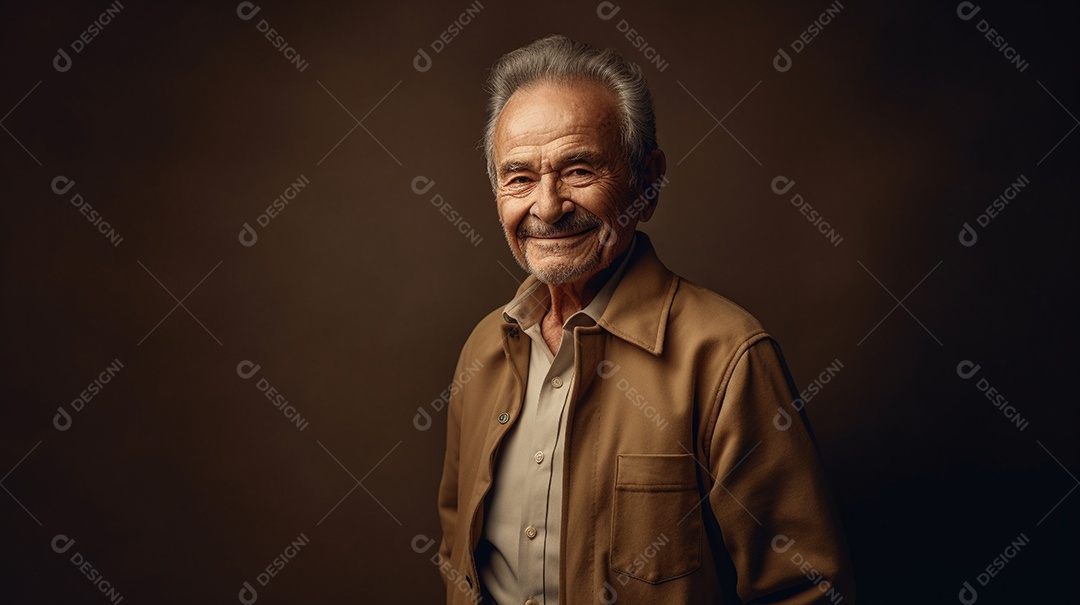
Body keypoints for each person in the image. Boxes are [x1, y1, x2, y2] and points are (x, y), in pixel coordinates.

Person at [437, 34, 854, 604]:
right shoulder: (483, 348)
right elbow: (457, 557)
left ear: (648, 181)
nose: (547, 206)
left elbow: (805, 592)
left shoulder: (728, 356)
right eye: (519, 178)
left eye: (579, 170)